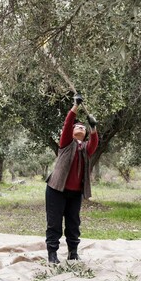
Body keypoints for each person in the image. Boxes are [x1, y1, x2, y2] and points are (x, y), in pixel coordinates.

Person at [45, 93, 98, 264]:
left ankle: (73, 253)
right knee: (54, 224)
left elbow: (94, 143)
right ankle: (52, 254)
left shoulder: (86, 150)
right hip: (56, 190)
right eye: (78, 127)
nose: (81, 128)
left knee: (73, 223)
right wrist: (75, 106)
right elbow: (68, 124)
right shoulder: (66, 144)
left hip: (75, 193)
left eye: (83, 128)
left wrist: (93, 128)